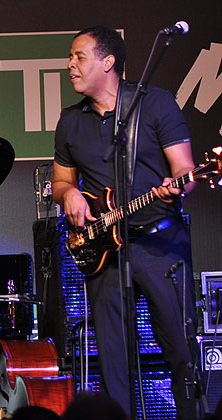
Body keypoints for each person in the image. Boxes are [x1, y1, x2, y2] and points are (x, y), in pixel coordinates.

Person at [51, 26, 199, 419]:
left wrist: (175, 186)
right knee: (113, 361)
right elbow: (61, 181)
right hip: (105, 251)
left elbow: (185, 169)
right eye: (71, 57)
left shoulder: (157, 104)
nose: (70, 65)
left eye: (79, 57)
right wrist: (69, 194)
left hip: (159, 244)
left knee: (181, 350)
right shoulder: (70, 121)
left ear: (108, 61)